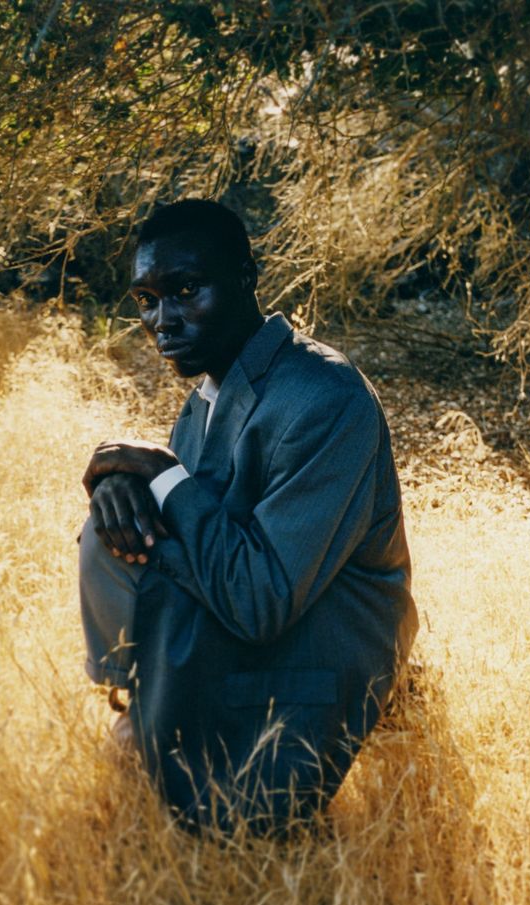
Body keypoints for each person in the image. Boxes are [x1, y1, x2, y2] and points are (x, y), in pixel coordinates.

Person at [79, 199, 418, 835]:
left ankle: (158, 709)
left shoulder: (325, 398)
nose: (163, 320)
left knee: (233, 829)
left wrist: (162, 476)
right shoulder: (206, 395)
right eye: (147, 299)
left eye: (185, 290)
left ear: (245, 276)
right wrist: (122, 489)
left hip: (326, 641)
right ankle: (134, 697)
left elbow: (260, 600)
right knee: (107, 527)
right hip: (245, 617)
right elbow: (200, 534)